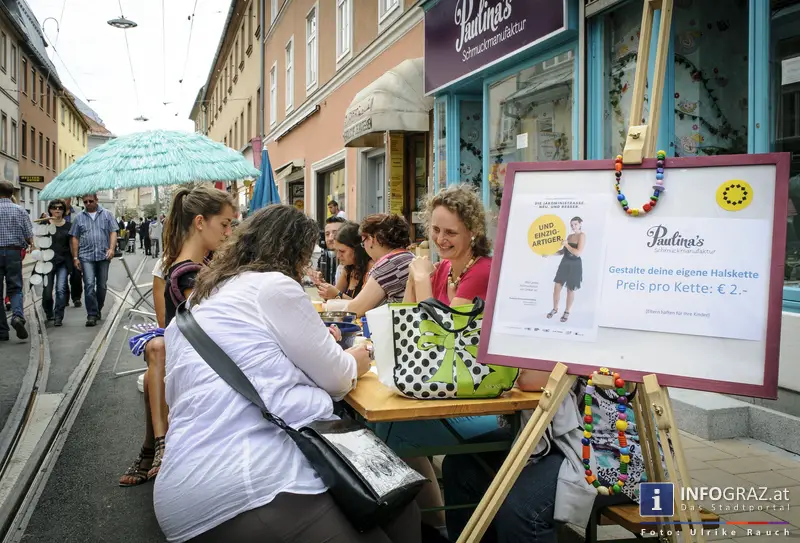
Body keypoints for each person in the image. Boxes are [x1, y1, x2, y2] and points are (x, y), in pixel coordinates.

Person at [153, 205, 419, 543]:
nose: (305, 268)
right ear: (292, 253)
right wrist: (360, 356)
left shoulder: (196, 305)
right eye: (304, 258)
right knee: (392, 508)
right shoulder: (273, 286)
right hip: (249, 483)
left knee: (401, 508)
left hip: (179, 489)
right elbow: (338, 378)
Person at [394, 184, 495, 536]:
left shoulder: (481, 271)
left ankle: (432, 526)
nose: (440, 238)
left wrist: (422, 281)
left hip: (480, 400)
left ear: (474, 232)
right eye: (435, 229)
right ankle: (433, 524)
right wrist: (413, 279)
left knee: (393, 433)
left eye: (451, 232)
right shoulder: (441, 271)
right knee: (388, 430)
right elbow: (406, 326)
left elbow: (443, 340)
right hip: (446, 391)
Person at [119, 186, 237, 487]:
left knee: (153, 373)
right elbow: (202, 325)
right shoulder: (185, 272)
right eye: (224, 224)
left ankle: (151, 448)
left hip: (195, 355)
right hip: (194, 357)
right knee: (156, 357)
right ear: (200, 223)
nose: (228, 232)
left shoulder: (204, 264)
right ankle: (159, 446)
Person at [442, 371, 646, 542]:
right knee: (463, 465)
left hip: (617, 449)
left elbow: (531, 379)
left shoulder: (581, 330)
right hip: (553, 433)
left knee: (522, 508)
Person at [343, 214, 414, 316]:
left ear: (372, 239)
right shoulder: (407, 256)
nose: (364, 248)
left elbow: (355, 310)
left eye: (363, 242)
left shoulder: (388, 264)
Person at [69, 193, 118, 327]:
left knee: (101, 285)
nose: (88, 204)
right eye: (85, 202)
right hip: (86, 256)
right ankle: (91, 314)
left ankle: (98, 309)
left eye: (91, 201)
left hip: (103, 255)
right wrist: (75, 257)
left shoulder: (107, 214)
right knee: (89, 285)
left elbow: (113, 231)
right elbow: (75, 237)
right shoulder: (79, 217)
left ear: (96, 200)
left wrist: (112, 248)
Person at [0, 180, 33, 340]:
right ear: (12, 193)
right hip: (13, 252)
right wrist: (30, 244)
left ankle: (2, 331)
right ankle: (17, 317)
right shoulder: (20, 210)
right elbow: (28, 235)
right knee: (15, 288)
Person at [317, 222, 373, 302]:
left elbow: (364, 306)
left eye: (342, 251)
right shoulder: (348, 269)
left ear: (356, 249)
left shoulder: (371, 268)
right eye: (337, 251)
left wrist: (338, 294)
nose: (338, 256)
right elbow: (330, 297)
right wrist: (321, 284)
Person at [40, 200, 73, 327]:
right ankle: (49, 312)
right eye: (54, 208)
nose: (57, 210)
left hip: (63, 262)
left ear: (64, 211)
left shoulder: (69, 226)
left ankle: (58, 315)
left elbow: (71, 244)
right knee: (47, 292)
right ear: (50, 210)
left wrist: (75, 259)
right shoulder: (45, 223)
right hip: (47, 262)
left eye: (60, 208)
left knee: (61, 289)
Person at [547, 216, 585, 323]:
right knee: (557, 287)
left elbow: (577, 252)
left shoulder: (582, 236)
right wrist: (549, 253)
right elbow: (562, 252)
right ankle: (555, 309)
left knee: (570, 289)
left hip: (574, 265)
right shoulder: (569, 236)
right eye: (572, 225)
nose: (573, 226)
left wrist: (567, 245)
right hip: (564, 263)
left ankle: (567, 311)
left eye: (575, 224)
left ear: (580, 224)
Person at [63, 198, 82, 308]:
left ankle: (76, 297)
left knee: (76, 274)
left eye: (66, 198)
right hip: (62, 248)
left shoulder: (78, 211)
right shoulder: (55, 211)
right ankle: (64, 297)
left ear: (70, 199)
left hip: (75, 246)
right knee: (63, 275)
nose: (64, 200)